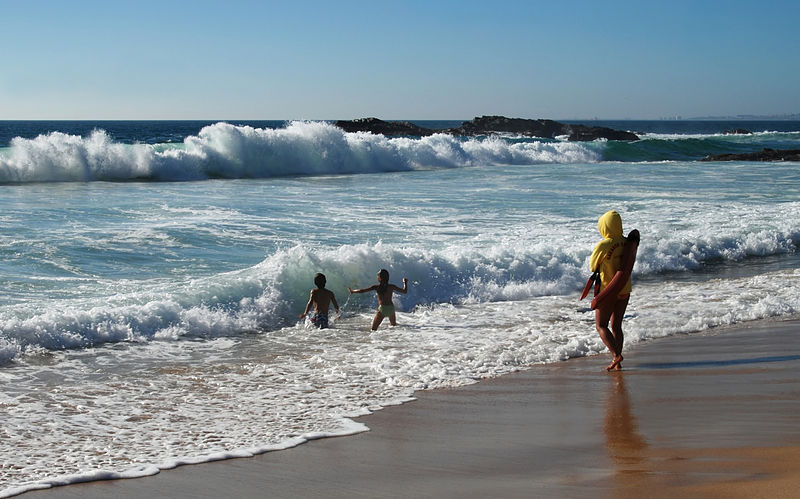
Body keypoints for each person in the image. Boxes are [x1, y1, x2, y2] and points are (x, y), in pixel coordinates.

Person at [590, 210, 632, 371]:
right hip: (624, 289)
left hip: (608, 291)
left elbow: (593, 266)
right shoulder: (627, 242)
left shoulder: (603, 245)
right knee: (617, 326)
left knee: (601, 325)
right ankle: (618, 363)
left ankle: (616, 355)